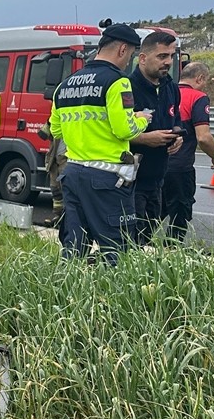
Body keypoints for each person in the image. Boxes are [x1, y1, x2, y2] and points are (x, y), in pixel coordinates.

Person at [48, 23, 150, 265]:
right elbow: (124, 129)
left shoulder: (66, 85)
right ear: (123, 49)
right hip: (108, 178)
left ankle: (67, 296)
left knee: (74, 246)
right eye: (132, 55)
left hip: (72, 173)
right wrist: (142, 120)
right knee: (116, 247)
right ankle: (112, 299)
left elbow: (55, 129)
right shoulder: (117, 82)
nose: (130, 62)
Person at [127, 31, 182, 244]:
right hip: (131, 180)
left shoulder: (171, 88)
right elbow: (113, 132)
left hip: (158, 178)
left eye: (170, 56)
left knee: (146, 237)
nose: (168, 62)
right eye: (161, 56)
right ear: (142, 58)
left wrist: (177, 136)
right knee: (131, 241)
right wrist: (143, 138)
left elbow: (175, 120)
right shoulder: (126, 88)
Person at [161, 62, 214, 242]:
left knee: (152, 214)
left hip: (157, 166)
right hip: (180, 169)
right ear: (200, 78)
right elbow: (203, 137)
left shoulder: (166, 93)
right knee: (179, 216)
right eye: (205, 81)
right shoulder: (198, 97)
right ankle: (171, 256)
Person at [38, 124, 67, 230]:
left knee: (67, 189)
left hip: (66, 158)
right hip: (55, 158)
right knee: (55, 189)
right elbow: (43, 134)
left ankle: (67, 219)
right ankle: (58, 216)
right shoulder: (56, 115)